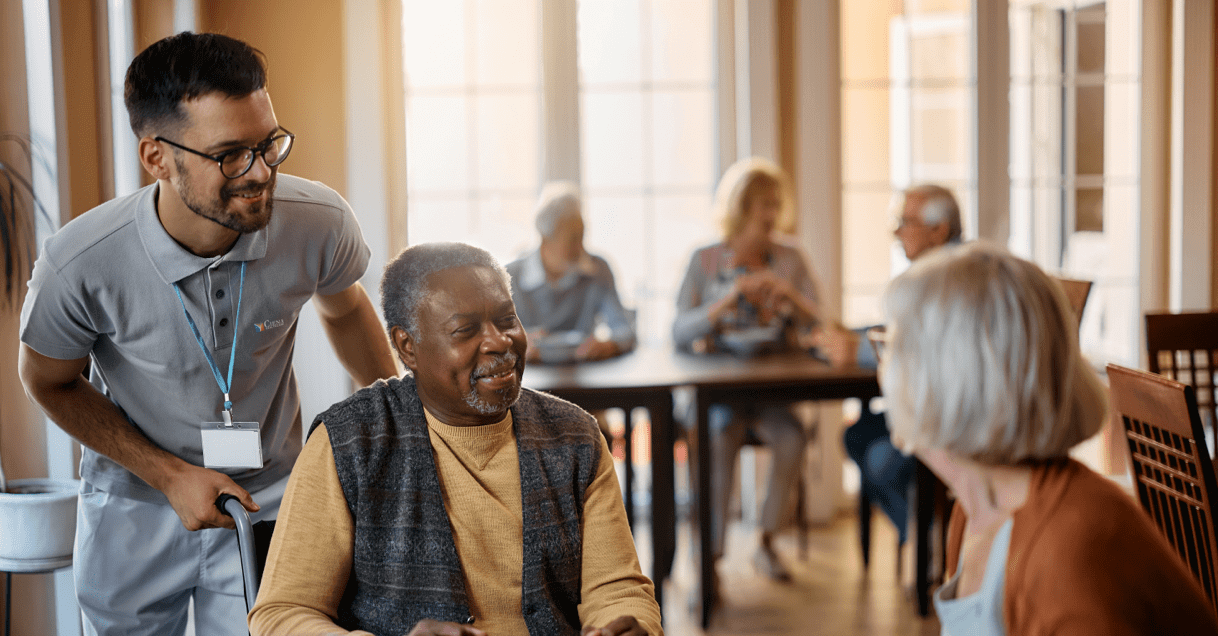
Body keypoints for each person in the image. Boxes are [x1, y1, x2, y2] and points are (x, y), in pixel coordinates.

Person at [17, 32, 397, 636]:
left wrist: (394, 426)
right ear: (156, 158)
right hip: (134, 503)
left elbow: (345, 308)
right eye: (229, 155)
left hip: (268, 498)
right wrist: (169, 476)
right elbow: (47, 381)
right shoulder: (81, 261)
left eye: (269, 145)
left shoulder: (319, 222)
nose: (260, 172)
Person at [248, 242, 662, 636]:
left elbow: (617, 589)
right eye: (465, 331)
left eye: (507, 320)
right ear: (407, 348)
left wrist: (624, 621)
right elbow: (281, 614)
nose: (500, 342)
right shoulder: (350, 442)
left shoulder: (575, 436)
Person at [878, 241, 1218, 634]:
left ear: (952, 384)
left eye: (897, 348)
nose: (885, 367)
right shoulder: (974, 509)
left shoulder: (1071, 549)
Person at [672, 157, 821, 582]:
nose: (772, 215)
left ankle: (768, 542)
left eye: (776, 204)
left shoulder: (790, 259)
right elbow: (679, 330)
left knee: (792, 438)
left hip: (773, 394)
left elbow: (821, 323)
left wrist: (790, 295)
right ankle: (711, 559)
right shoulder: (704, 260)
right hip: (718, 396)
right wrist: (729, 298)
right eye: (763, 206)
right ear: (740, 208)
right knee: (718, 438)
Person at [830, 183, 963, 545]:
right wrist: (850, 337)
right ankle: (923, 538)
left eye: (907, 222)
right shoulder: (935, 272)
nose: (896, 232)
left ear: (939, 229)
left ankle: (931, 542)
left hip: (953, 417)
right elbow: (904, 332)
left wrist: (855, 348)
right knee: (857, 436)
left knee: (880, 458)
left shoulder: (951, 276)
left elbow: (921, 350)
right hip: (932, 407)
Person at [507, 181, 635, 363]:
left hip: (583, 376)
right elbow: (494, 339)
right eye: (572, 239)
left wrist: (611, 344)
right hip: (529, 382)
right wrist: (515, 345)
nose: (580, 248)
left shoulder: (597, 270)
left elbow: (624, 330)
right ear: (546, 239)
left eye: (582, 236)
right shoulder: (510, 277)